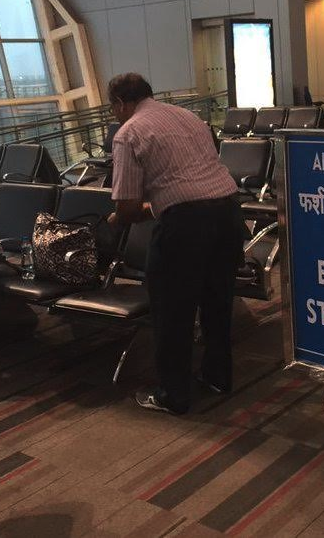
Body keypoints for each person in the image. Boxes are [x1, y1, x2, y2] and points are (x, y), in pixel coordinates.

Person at [107, 73, 242, 415]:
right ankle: (218, 377)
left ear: (121, 103)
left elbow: (125, 206)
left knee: (172, 310)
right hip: (228, 211)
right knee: (217, 302)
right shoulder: (189, 117)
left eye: (113, 108)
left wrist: (119, 218)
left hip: (185, 225)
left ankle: (173, 395)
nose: (114, 115)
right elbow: (194, 175)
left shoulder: (128, 133)